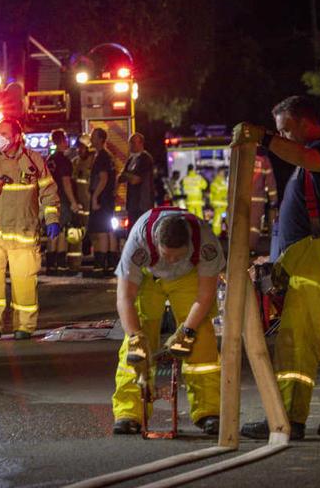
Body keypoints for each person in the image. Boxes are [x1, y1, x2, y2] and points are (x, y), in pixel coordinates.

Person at [236, 97, 320, 442]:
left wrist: (263, 139)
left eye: (286, 130)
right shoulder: (311, 154)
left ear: (305, 122)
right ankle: (288, 416)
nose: (283, 138)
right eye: (278, 133)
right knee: (293, 346)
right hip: (305, 267)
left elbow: (306, 158)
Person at [111, 207, 225, 436]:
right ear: (155, 242)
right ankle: (129, 413)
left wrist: (187, 330)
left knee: (201, 338)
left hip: (188, 277)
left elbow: (205, 297)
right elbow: (125, 298)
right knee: (135, 346)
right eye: (167, 255)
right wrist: (135, 337)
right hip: (148, 277)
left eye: (178, 256)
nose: (171, 261)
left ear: (189, 246)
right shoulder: (138, 241)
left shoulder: (206, 244)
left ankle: (208, 411)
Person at [0, 118, 60, 339]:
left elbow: (49, 193)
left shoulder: (34, 160)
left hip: (24, 233)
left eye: (5, 133)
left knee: (25, 282)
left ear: (18, 137)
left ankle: (24, 327)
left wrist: (52, 219)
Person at [46, 129, 79, 275]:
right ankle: (60, 264)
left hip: (49, 200)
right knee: (62, 231)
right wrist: (73, 202)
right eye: (65, 140)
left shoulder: (49, 160)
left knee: (54, 232)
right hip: (62, 200)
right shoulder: (64, 161)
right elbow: (66, 183)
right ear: (62, 141)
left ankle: (52, 265)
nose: (67, 143)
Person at [87, 128, 119, 275]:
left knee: (102, 231)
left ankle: (101, 265)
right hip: (108, 198)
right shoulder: (109, 157)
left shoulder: (101, 157)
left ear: (100, 139)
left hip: (102, 198)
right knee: (109, 231)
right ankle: (112, 264)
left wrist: (95, 197)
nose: (91, 139)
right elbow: (115, 177)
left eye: (93, 136)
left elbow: (103, 178)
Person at [119, 133, 155, 226]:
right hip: (132, 203)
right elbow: (121, 177)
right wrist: (128, 176)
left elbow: (136, 180)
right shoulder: (131, 160)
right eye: (130, 143)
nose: (131, 145)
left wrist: (127, 175)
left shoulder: (145, 159)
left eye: (133, 143)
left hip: (142, 203)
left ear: (141, 144)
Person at [208, 167, 229, 236]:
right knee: (217, 220)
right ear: (219, 172)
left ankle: (226, 233)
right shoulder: (215, 182)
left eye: (224, 172)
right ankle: (216, 234)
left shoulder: (225, 182)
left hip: (225, 205)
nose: (223, 173)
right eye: (222, 172)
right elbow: (215, 192)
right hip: (219, 205)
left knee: (226, 219)